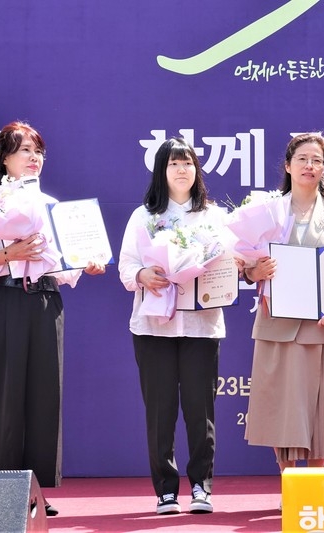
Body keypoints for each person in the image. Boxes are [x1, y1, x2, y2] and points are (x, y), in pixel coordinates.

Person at [0, 121, 106, 516]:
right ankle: (3, 492)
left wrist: (86, 265)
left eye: (38, 151)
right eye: (24, 150)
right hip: (4, 301)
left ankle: (35, 491)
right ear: (4, 158)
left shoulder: (53, 207)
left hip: (45, 301)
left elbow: (63, 265)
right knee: (6, 394)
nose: (34, 157)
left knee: (44, 395)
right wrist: (9, 254)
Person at [243, 132, 324, 485]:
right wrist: (253, 272)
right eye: (302, 159)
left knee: (322, 408)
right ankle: (290, 485)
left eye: (317, 160)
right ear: (288, 165)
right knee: (283, 407)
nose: (309, 166)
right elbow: (247, 264)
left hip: (323, 323)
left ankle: (312, 486)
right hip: (277, 322)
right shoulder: (267, 211)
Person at [118, 137, 226, 515]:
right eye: (174, 164)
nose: (182, 170)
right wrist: (143, 274)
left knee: (201, 410)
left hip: (201, 325)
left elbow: (229, 266)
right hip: (153, 328)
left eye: (188, 163)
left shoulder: (214, 216)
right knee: (160, 412)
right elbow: (126, 267)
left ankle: (201, 487)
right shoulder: (143, 216)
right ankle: (165, 490)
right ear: (161, 171)